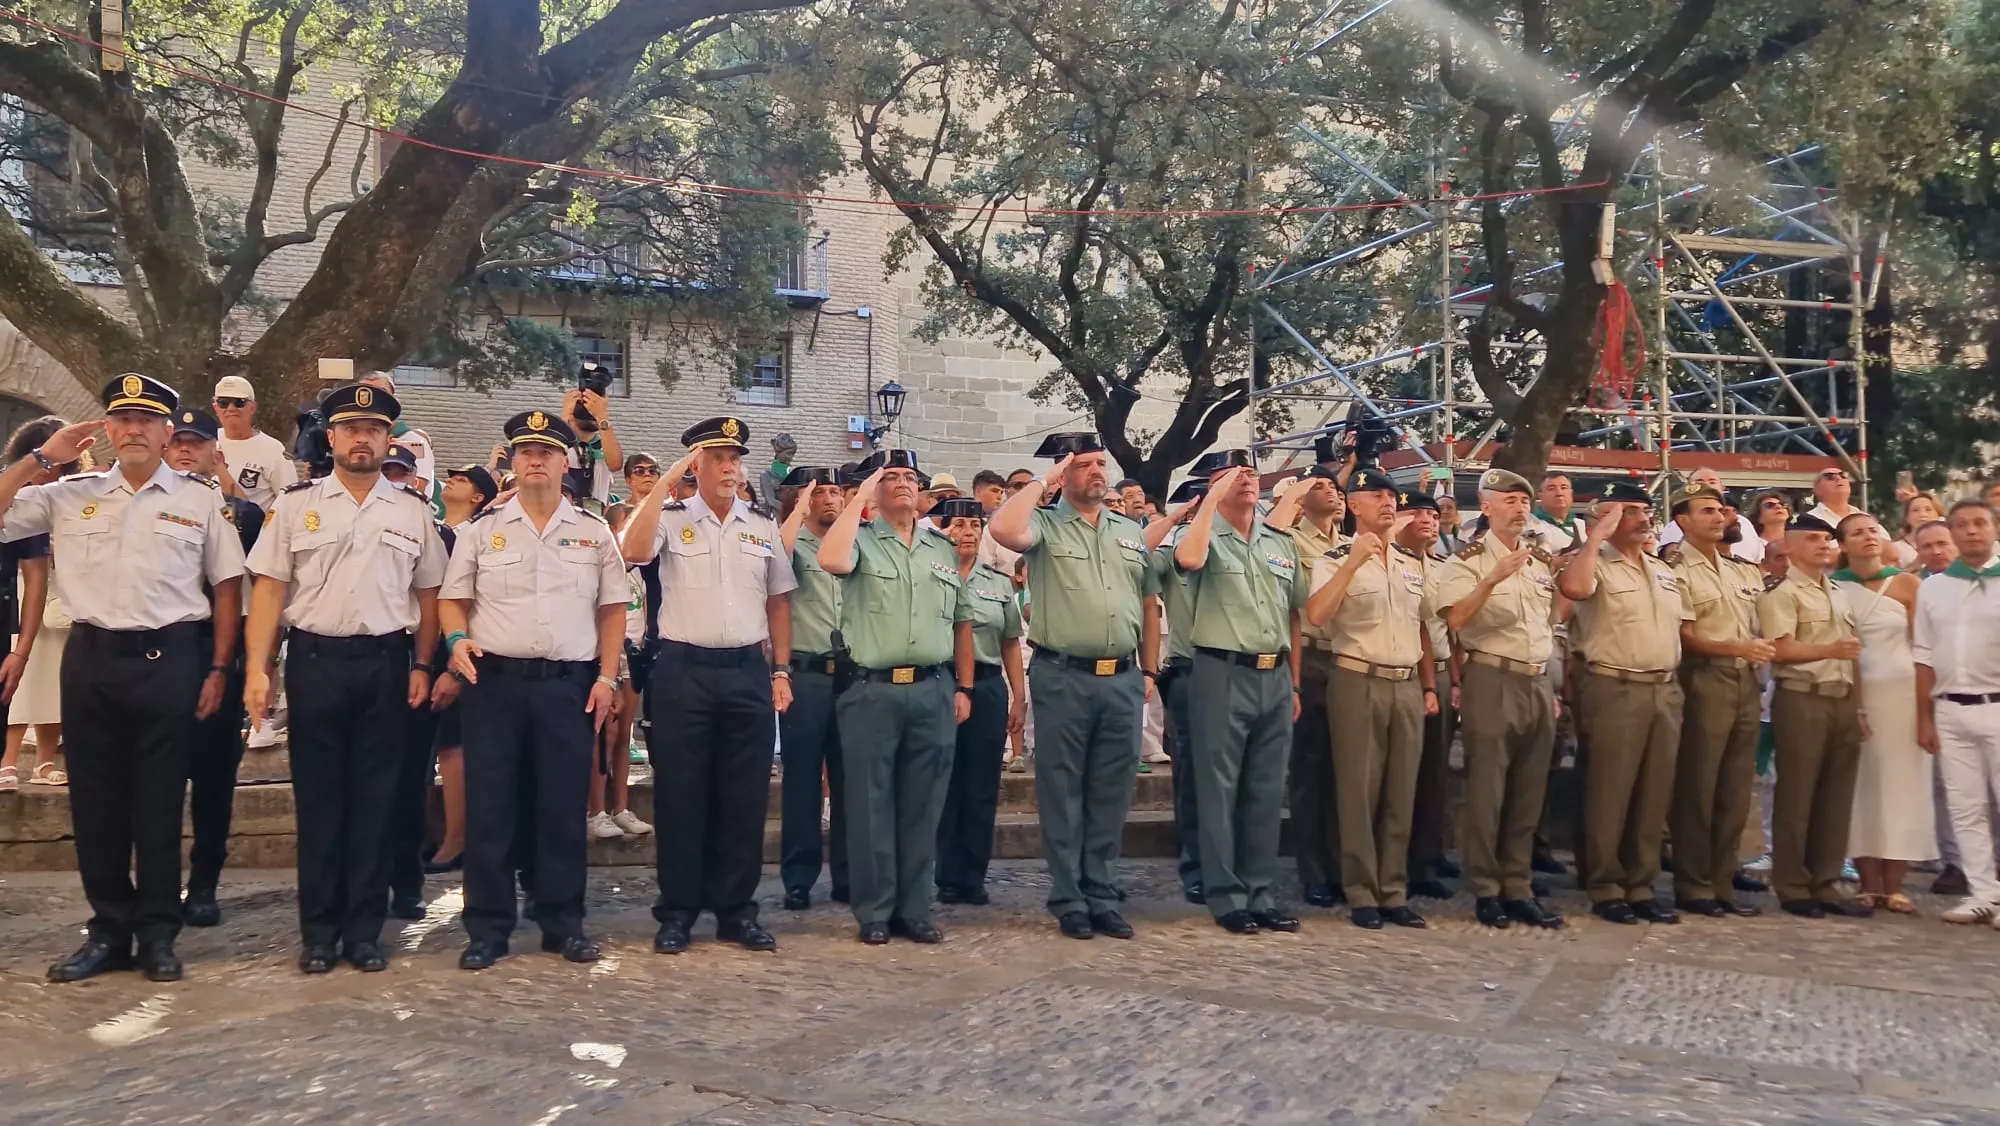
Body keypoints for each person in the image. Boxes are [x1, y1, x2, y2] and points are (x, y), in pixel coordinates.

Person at [0, 374, 246, 983]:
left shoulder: (198, 500)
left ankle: (159, 933)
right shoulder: (66, 493)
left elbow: (226, 589)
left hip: (173, 660)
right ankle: (109, 930)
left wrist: (219, 667)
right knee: (96, 804)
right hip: (92, 661)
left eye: (147, 420)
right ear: (106, 429)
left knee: (160, 803)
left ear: (167, 432)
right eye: (122, 419)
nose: (133, 429)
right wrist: (39, 458)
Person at [242, 384, 445, 973]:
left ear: (388, 440)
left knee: (376, 804)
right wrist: (258, 670)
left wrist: (424, 665)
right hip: (315, 664)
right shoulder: (296, 505)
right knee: (320, 803)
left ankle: (363, 931)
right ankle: (318, 933)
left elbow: (429, 596)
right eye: (352, 428)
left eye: (375, 429)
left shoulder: (411, 511)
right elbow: (270, 590)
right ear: (331, 438)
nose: (363, 438)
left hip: (386, 665)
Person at [441, 409, 625, 970]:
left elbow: (613, 608)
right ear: (513, 462)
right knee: (492, 807)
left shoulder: (593, 534)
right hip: (494, 683)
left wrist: (607, 676)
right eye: (525, 451)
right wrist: (454, 639)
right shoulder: (480, 531)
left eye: (547, 451)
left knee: (562, 808)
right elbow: (453, 597)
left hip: (566, 687)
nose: (536, 460)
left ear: (566, 461)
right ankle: (489, 928)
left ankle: (561, 922)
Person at [620, 416, 795, 955]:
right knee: (680, 796)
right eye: (718, 458)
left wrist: (781, 670)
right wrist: (667, 482)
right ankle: (677, 911)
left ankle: (736, 911)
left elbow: (778, 600)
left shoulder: (761, 525)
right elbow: (632, 549)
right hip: (682, 671)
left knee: (743, 799)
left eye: (735, 458)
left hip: (745, 670)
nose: (730, 467)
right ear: (696, 465)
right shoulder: (671, 518)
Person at [988, 432, 1158, 940]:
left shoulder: (1127, 532)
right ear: (1066, 475)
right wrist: (1044, 480)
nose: (1097, 472)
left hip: (1122, 678)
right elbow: (1003, 526)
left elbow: (1148, 601)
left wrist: (1148, 670)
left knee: (1111, 792)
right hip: (1064, 675)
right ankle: (1070, 898)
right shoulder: (1042, 524)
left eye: (1100, 463)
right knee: (1062, 791)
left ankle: (1102, 893)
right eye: (1084, 465)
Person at [817, 449, 975, 945]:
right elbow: (831, 559)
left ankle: (915, 907)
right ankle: (876, 910)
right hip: (873, 690)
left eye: (911, 477)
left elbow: (962, 621)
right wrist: (859, 496)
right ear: (874, 490)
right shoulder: (860, 540)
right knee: (870, 804)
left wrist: (964, 685)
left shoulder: (941, 550)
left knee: (922, 805)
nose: (904, 483)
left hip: (931, 687)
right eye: (892, 478)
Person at [1174, 449, 1307, 936]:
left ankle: (1260, 892)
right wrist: (1210, 499)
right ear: (1214, 483)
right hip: (1221, 670)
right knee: (1218, 790)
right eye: (1236, 473)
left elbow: (1294, 613)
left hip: (1273, 674)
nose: (1248, 479)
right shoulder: (1203, 537)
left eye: (1252, 472)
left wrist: (1293, 680)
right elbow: (1189, 560)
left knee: (1266, 791)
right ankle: (1226, 895)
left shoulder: (1280, 543)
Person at [1304, 467, 1438, 929]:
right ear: (1354, 505)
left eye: (1391, 495)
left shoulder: (1409, 561)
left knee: (1401, 789)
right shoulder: (1333, 556)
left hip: (1404, 681)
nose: (1388, 501)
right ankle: (1361, 889)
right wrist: (1353, 562)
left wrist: (1429, 686)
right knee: (1359, 788)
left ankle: (1393, 888)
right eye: (1376, 494)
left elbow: (1427, 622)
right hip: (1357, 677)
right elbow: (1317, 614)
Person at [1432, 468, 1564, 930]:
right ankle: (1486, 888)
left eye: (1524, 501)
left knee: (1530, 792)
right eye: (1509, 500)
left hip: (1536, 680)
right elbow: (1457, 621)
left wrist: (1550, 684)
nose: (1520, 508)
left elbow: (1547, 624)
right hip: (1492, 677)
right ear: (1485, 508)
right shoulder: (1466, 560)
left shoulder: (1539, 559)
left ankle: (1519, 884)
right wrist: (1491, 578)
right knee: (1488, 789)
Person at [1558, 482, 1687, 925]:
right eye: (1629, 511)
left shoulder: (1663, 569)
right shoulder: (1594, 563)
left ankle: (1641, 883)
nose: (1642, 517)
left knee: (1654, 793)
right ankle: (1606, 884)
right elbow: (1573, 591)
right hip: (1614, 685)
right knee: (1609, 791)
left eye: (1645, 509)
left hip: (1663, 688)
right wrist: (1594, 538)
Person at [165, 409, 264, 928]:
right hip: (159, 650)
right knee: (150, 778)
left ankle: (204, 883)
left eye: (197, 444)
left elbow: (252, 567)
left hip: (214, 650)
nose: (186, 450)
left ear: (214, 453)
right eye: (178, 442)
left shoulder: (239, 514)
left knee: (212, 776)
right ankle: (154, 885)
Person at [1663, 483, 1770, 918]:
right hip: (1704, 680)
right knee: (1698, 786)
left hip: (1746, 683)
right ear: (1683, 521)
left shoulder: (1742, 569)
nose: (1718, 516)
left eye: (1721, 509)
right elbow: (1684, 636)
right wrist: (1736, 649)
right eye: (1706, 510)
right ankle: (1694, 885)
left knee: (1735, 789)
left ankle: (1723, 880)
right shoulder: (1674, 568)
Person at [1760, 512, 1871, 919]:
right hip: (1802, 696)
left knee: (1835, 796)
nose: (1824, 544)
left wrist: (1858, 706)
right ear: (1788, 546)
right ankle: (1792, 885)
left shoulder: (1838, 592)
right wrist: (1829, 651)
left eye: (1828, 538)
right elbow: (1780, 648)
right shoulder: (1781, 594)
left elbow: (1853, 653)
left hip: (1840, 697)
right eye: (1812, 538)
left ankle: (1825, 882)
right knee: (1797, 793)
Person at [1828, 513, 1932, 913]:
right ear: (1843, 544)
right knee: (1862, 789)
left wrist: (1927, 710)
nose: (1867, 537)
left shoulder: (1907, 583)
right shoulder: (1836, 587)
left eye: (1873, 530)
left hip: (1902, 695)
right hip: (1857, 693)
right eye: (1856, 533)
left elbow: (1922, 647)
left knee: (1901, 788)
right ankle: (1867, 883)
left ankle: (1896, 885)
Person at [932, 497, 1026, 904]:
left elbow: (1009, 644)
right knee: (942, 781)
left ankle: (972, 875)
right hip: (940, 683)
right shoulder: (931, 576)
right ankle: (942, 872)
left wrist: (1019, 696)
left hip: (987, 687)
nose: (966, 532)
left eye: (974, 525)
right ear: (942, 530)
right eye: (958, 525)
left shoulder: (998, 582)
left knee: (981, 785)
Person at [1265, 465, 1347, 907]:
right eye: (1320, 486)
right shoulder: (1290, 542)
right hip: (1311, 658)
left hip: (1351, 658)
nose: (1333, 491)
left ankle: (1341, 863)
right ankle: (1313, 870)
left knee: (1344, 772)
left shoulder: (1349, 544)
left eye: (1336, 486)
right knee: (1309, 771)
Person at [1917, 501, 2000, 927]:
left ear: (1994, 528)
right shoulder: (1933, 588)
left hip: (1998, 703)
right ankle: (1983, 892)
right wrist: (1925, 717)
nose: (1971, 532)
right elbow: (1924, 655)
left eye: (1979, 523)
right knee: (1966, 807)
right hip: (1950, 707)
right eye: (1962, 525)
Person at [776, 465, 850, 909]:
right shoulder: (791, 540)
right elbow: (773, 561)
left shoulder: (854, 541)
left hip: (851, 675)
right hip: (805, 673)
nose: (829, 499)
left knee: (849, 782)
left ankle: (847, 875)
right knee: (802, 781)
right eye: (819, 493)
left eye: (835, 492)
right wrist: (798, 506)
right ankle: (799, 878)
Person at [0, 417, 78, 793]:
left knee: (49, 674)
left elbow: (37, 572)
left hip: (52, 595)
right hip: (8, 596)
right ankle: (7, 758)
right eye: (49, 459)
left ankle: (45, 758)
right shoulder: (9, 483)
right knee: (15, 680)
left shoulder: (71, 493)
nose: (54, 469)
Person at [1147, 477, 1208, 903]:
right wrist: (1176, 520)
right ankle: (1197, 864)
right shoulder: (1174, 552)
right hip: (1191, 669)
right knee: (1194, 778)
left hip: (1243, 671)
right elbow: (1135, 553)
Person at [1396, 490, 1457, 898]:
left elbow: (1452, 631)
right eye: (1415, 512)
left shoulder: (1444, 566)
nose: (1428, 520)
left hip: (1439, 670)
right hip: (1400, 672)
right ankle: (1398, 860)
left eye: (1433, 514)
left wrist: (1457, 681)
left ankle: (1427, 853)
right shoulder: (1387, 563)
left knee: (1434, 771)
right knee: (1400, 774)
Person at [210, 375, 297, 513]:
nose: (231, 408)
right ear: (215, 408)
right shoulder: (206, 441)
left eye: (239, 402)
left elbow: (292, 504)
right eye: (223, 403)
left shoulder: (273, 450)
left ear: (252, 408)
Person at [1657, 469, 1762, 562]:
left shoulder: (1744, 523)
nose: (1707, 485)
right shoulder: (1675, 526)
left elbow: (1758, 557)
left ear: (1723, 488)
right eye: (1699, 481)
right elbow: (1673, 555)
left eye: (1712, 481)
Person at [1530, 472, 1587, 551]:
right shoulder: (1531, 525)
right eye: (1551, 489)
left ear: (1571, 493)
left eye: (1564, 488)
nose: (1559, 493)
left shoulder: (1583, 526)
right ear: (1540, 495)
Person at [1893, 493, 1943, 570]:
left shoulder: (1950, 544)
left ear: (1938, 515)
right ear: (1906, 517)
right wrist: (1916, 564)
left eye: (1928, 509)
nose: (1922, 514)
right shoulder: (1897, 548)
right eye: (1915, 510)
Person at [759, 432, 796, 511]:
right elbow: (771, 501)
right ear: (779, 452)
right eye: (788, 454)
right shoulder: (766, 475)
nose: (791, 458)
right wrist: (791, 511)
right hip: (774, 517)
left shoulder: (791, 474)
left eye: (793, 454)